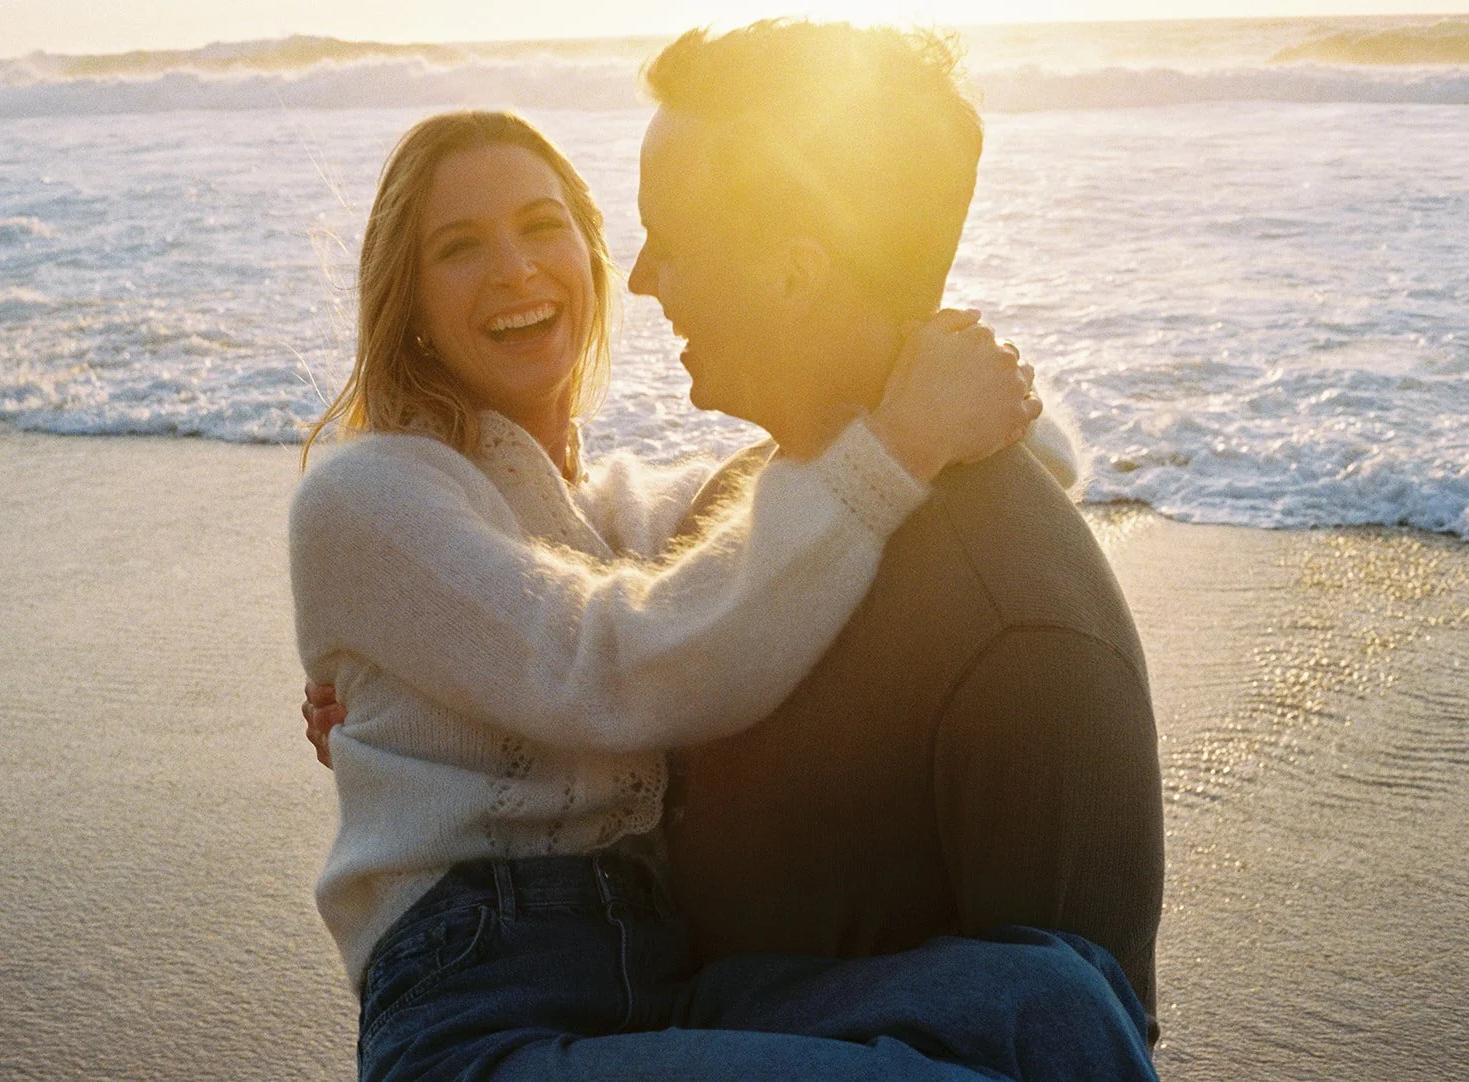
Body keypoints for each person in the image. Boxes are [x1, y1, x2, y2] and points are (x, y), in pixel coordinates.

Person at [291, 108, 1157, 1079]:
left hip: (658, 986)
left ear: (588, 255)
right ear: (404, 296)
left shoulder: (620, 511)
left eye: (541, 227)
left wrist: (943, 389)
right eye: (459, 247)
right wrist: (903, 440)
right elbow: (611, 666)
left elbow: (803, 479)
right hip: (478, 1029)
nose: (515, 269)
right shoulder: (364, 496)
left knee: (1059, 995)